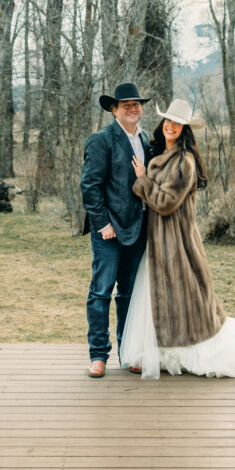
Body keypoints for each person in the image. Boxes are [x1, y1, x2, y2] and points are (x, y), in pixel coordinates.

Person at [120, 98, 235, 379]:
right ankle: (161, 352)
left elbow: (165, 202)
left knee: (188, 298)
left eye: (177, 123)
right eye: (168, 121)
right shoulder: (162, 156)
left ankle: (190, 352)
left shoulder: (184, 161)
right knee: (161, 297)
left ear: (185, 130)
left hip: (178, 241)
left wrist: (141, 179)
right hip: (159, 241)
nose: (171, 126)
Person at [80, 82, 151, 378]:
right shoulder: (102, 140)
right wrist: (103, 225)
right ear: (114, 110)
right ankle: (98, 355)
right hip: (108, 232)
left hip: (138, 229)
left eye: (136, 104)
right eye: (126, 105)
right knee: (101, 293)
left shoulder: (146, 139)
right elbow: (90, 186)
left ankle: (128, 352)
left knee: (129, 296)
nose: (133, 109)